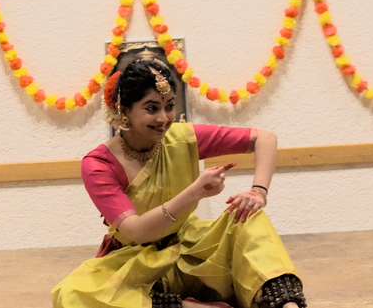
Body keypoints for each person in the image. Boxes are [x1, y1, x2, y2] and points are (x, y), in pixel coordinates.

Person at [52, 59, 307, 308]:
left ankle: (287, 305)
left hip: (191, 250)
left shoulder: (182, 138)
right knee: (71, 294)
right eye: (152, 108)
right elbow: (138, 232)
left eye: (170, 106)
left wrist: (258, 192)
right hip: (135, 262)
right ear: (124, 111)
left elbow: (264, 138)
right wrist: (194, 192)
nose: (164, 118)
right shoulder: (99, 165)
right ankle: (182, 305)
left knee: (248, 216)